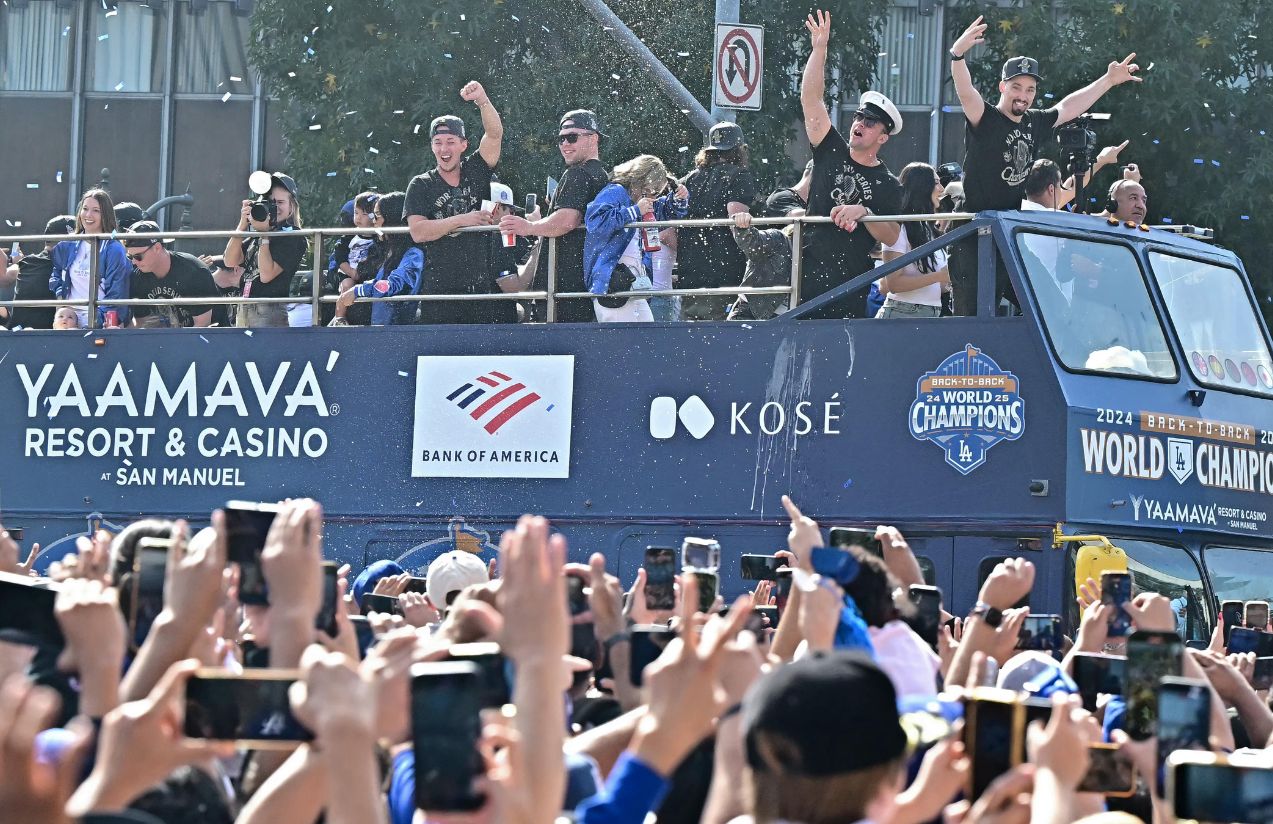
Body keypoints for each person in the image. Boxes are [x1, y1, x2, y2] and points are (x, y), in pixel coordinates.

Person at [947, 15, 1142, 314]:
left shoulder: (1034, 121)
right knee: (972, 320)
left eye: (1030, 89)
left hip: (1007, 230)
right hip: (972, 232)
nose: (1023, 96)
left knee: (1050, 306)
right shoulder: (985, 117)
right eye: (1016, 87)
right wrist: (957, 55)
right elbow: (965, 91)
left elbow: (1067, 107)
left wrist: (1108, 81)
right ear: (1002, 87)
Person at [799, 10, 902, 318]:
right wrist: (819, 50)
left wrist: (865, 212)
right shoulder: (831, 149)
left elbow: (892, 235)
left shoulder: (888, 182)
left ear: (883, 137)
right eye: (859, 117)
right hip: (806, 276)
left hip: (851, 283)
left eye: (870, 122)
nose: (860, 124)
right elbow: (811, 100)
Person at [404, 80, 504, 325]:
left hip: (479, 287)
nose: (444, 149)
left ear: (463, 145)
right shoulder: (421, 184)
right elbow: (418, 232)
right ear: (432, 146)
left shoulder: (476, 170)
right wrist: (463, 220)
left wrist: (482, 100)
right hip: (439, 290)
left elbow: (494, 134)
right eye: (438, 142)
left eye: (450, 141)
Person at [498, 109, 610, 324]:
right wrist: (542, 221)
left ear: (593, 138)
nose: (565, 144)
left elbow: (567, 220)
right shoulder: (602, 175)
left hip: (563, 288)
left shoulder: (577, 174)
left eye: (572, 137)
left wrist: (528, 227)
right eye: (561, 139)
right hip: (587, 283)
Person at [583, 155, 688, 323]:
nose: (653, 198)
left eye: (656, 194)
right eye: (652, 192)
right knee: (628, 336)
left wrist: (678, 199)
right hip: (612, 283)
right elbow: (595, 222)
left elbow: (666, 212)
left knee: (645, 333)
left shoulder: (637, 199)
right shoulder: (615, 191)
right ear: (641, 181)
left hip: (634, 283)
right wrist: (634, 211)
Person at [675, 122, 756, 321]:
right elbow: (737, 222)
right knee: (719, 335)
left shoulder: (689, 179)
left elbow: (667, 232)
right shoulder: (739, 176)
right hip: (724, 274)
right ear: (740, 149)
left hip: (690, 275)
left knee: (690, 335)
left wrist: (690, 250)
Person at [222, 171, 308, 328]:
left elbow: (266, 275)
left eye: (280, 202)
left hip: (270, 310)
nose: (275, 207)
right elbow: (230, 261)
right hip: (244, 306)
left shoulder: (293, 236)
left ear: (292, 206)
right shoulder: (258, 234)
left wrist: (264, 235)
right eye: (269, 202)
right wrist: (242, 225)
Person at [875, 163, 951, 320]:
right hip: (901, 314)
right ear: (921, 186)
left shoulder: (929, 228)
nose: (942, 189)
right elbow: (892, 284)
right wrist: (939, 276)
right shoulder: (899, 228)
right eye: (936, 183)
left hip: (929, 314)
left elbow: (939, 284)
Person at [334, 192, 424, 326]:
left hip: (399, 329)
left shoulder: (414, 254)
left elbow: (393, 285)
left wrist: (358, 290)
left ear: (391, 219)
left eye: (377, 216)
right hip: (378, 326)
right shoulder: (383, 250)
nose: (374, 222)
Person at [49, 189, 131, 328]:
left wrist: (94, 322)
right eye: (85, 209)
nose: (88, 215)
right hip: (69, 320)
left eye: (96, 210)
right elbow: (56, 274)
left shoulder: (114, 250)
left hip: (99, 322)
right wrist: (61, 304)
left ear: (105, 215)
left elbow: (116, 295)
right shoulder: (67, 244)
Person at [122, 222, 224, 328]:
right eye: (130, 257)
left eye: (138, 257)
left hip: (214, 335)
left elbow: (202, 325)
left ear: (157, 248)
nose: (134, 262)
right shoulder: (138, 277)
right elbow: (140, 323)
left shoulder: (193, 272)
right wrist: (118, 332)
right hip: (168, 336)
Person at [7, 214, 75, 329]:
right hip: (48, 335)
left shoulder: (26, 262)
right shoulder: (70, 266)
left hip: (16, 333)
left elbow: (5, 276)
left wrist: (16, 262)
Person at [726, 210, 795, 321]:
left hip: (790, 318)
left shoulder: (817, 252)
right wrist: (743, 225)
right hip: (751, 313)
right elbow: (752, 243)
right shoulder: (779, 239)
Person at [326, 192, 379, 327]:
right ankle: (340, 318)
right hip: (348, 271)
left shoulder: (380, 237)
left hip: (368, 274)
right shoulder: (350, 236)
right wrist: (351, 272)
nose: (358, 218)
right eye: (356, 213)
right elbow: (339, 256)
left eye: (364, 214)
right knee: (347, 285)